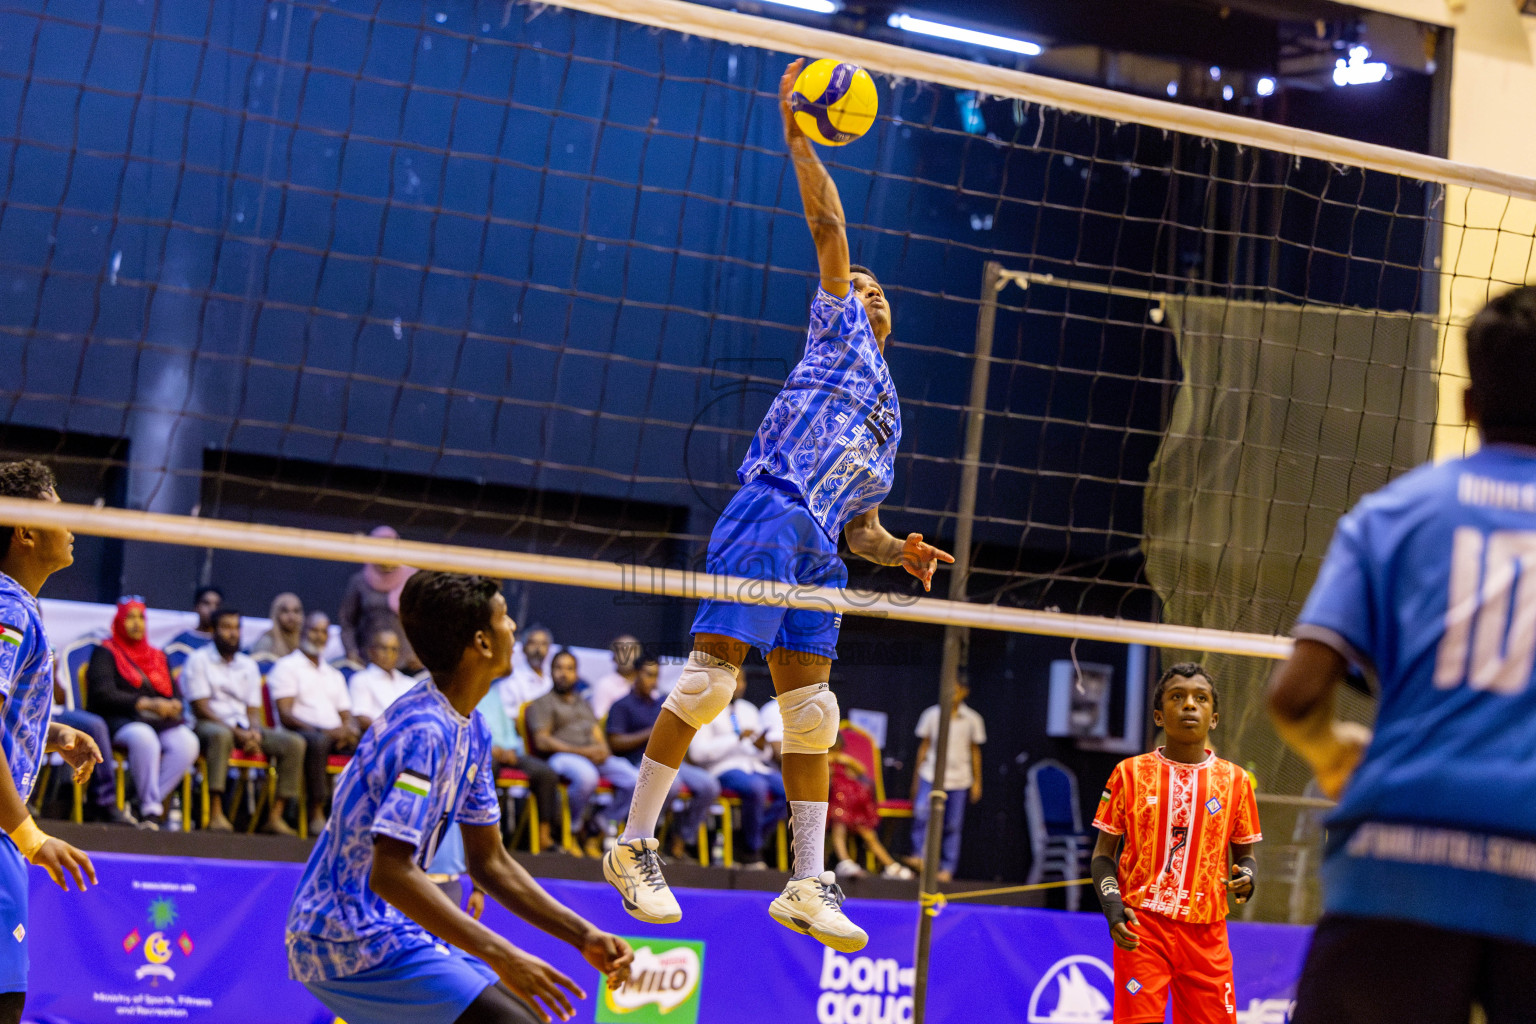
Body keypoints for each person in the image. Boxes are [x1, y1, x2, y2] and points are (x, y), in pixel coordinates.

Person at [603, 58, 953, 953]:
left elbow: (860, 523)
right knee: (714, 679)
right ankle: (632, 841)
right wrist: (800, 138)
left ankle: (806, 880)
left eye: (879, 291)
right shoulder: (835, 326)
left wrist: (897, 553)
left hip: (821, 545)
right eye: (859, 283)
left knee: (814, 715)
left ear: (892, 321)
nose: (865, 289)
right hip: (771, 509)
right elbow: (830, 227)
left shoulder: (891, 411)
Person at [1267, 285, 1536, 1024]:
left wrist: (1329, 755)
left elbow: (1294, 698)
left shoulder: (1393, 515)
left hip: (1396, 863)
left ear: (1468, 403)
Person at [286, 571, 633, 1024]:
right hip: (343, 933)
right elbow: (389, 873)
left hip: (389, 929)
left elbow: (489, 863)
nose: (513, 628)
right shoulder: (424, 733)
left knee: (522, 1014)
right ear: (482, 643)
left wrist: (583, 934)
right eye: (505, 618)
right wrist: (503, 954)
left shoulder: (473, 728)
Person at [1091, 663, 1261, 1024]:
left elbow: (1245, 854)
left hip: (1207, 933)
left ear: (1213, 718)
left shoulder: (1236, 781)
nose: (1189, 705)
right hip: (1143, 928)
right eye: (1177, 697)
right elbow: (1103, 856)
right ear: (1158, 714)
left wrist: (1247, 875)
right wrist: (1112, 906)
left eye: (1200, 699)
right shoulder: (1129, 773)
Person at [0, 460, 102, 1023]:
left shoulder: (17, 606)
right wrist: (29, 835)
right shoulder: (8, 608)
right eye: (59, 513)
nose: (73, 526)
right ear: (26, 530)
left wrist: (52, 732)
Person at [182, 608, 303, 835]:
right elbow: (202, 708)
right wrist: (236, 732)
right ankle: (216, 812)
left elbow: (252, 709)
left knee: (293, 743)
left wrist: (255, 732)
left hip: (243, 728)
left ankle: (275, 816)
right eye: (226, 628)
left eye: (236, 628)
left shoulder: (248, 664)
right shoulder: (198, 660)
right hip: (207, 725)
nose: (232, 633)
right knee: (221, 735)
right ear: (213, 631)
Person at [86, 598, 200, 829]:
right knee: (144, 738)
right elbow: (103, 694)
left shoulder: (157, 656)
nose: (137, 624)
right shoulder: (105, 652)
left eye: (141, 618)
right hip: (120, 721)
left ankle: (141, 804)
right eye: (130, 617)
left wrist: (175, 706)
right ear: (119, 621)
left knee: (187, 743)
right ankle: (151, 808)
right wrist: (144, 703)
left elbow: (175, 693)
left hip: (159, 722)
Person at [606, 655, 720, 862]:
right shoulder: (622, 705)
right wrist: (651, 733)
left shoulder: (663, 703)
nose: (653, 681)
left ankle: (680, 838)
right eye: (648, 675)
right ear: (635, 675)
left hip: (672, 760)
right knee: (671, 786)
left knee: (709, 785)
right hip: (637, 760)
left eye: (656, 676)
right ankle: (646, 839)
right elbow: (615, 743)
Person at [526, 650, 638, 856]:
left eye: (569, 669)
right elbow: (542, 741)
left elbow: (596, 732)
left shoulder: (583, 702)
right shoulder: (542, 702)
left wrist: (603, 749)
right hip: (560, 757)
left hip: (590, 755)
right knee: (587, 777)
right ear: (551, 671)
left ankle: (598, 825)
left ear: (577, 674)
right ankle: (574, 829)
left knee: (634, 780)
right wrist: (582, 751)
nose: (563, 673)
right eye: (558, 668)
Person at [268, 611, 361, 834]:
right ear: (303, 632)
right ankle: (316, 812)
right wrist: (327, 732)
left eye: (324, 631)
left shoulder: (334, 674)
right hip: (301, 733)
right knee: (318, 742)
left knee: (370, 745)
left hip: (332, 737)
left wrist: (349, 732)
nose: (319, 636)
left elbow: (347, 715)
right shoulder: (287, 667)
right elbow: (286, 715)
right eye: (314, 630)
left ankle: (357, 818)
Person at [687, 674, 787, 870]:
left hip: (754, 766)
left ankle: (744, 838)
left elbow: (764, 751)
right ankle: (751, 852)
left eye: (741, 680)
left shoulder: (748, 709)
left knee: (788, 790)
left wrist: (761, 747)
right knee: (756, 788)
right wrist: (736, 738)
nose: (738, 686)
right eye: (733, 680)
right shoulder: (705, 708)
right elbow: (698, 753)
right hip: (723, 768)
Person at [907, 675, 986, 883]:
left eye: (957, 689)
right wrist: (916, 778)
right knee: (922, 814)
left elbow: (975, 751)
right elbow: (923, 746)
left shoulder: (972, 719)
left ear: (965, 692)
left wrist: (977, 782)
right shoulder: (932, 714)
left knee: (952, 824)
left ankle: (947, 868)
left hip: (959, 779)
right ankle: (919, 857)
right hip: (930, 774)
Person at [475, 675, 562, 854]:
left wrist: (511, 748)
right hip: (482, 752)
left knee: (546, 773)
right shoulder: (466, 692)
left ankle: (544, 836)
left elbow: (507, 727)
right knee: (487, 770)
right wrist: (489, 748)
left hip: (508, 752)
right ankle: (488, 835)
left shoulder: (493, 693)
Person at [49, 676, 133, 826]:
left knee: (96, 725)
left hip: (52, 710)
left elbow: (59, 697)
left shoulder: (47, 655)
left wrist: (52, 672)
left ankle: (105, 802)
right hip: (19, 710)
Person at [828, 731, 910, 880]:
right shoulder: (822, 762)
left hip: (854, 807)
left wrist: (847, 761)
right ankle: (845, 861)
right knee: (839, 826)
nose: (834, 753)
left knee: (868, 834)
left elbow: (861, 771)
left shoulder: (844, 762)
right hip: (834, 806)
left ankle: (890, 865)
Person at [337, 526, 421, 672]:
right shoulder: (360, 581)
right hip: (369, 663)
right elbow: (347, 622)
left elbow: (426, 621)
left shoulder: (412, 579)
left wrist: (421, 654)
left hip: (408, 664)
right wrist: (351, 652)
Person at [350, 629, 419, 731]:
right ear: (371, 651)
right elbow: (362, 718)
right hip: (383, 739)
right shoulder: (361, 679)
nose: (389, 654)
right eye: (384, 648)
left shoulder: (410, 683)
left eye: (394, 649)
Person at [586, 634, 639, 720]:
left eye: (632, 650)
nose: (628, 655)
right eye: (622, 650)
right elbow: (599, 720)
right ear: (613, 656)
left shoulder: (646, 684)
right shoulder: (605, 685)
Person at [506, 626, 553, 710]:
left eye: (543, 644)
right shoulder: (512, 679)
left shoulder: (551, 679)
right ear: (523, 648)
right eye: (533, 643)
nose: (538, 649)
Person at [169, 586, 223, 654]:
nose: (212, 609)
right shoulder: (181, 642)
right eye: (206, 603)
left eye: (217, 605)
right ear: (196, 607)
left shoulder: (227, 643)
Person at [252, 592, 304, 659]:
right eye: (285, 611)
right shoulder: (266, 642)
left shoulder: (305, 642)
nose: (291, 617)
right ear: (276, 614)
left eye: (296, 611)